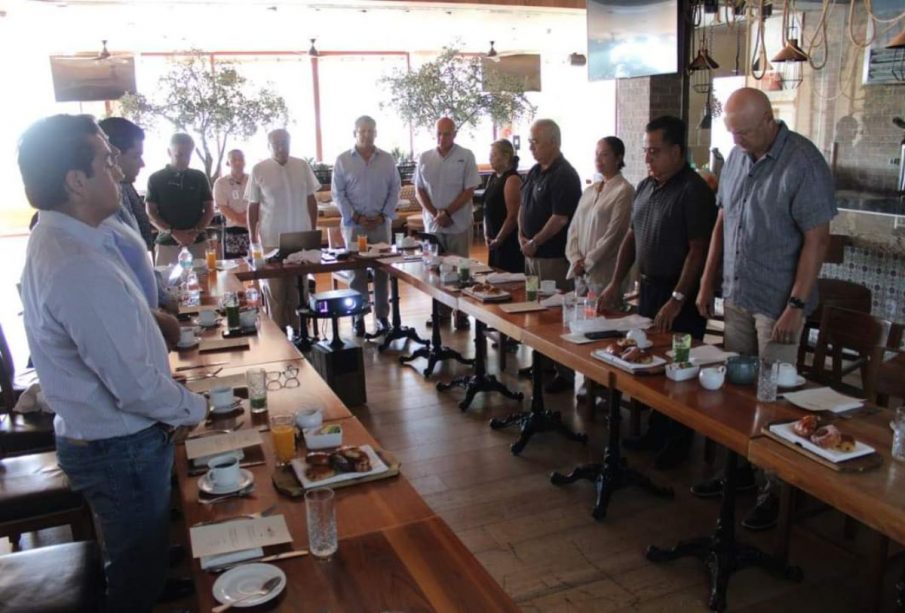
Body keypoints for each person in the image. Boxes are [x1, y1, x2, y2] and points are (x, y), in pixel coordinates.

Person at [17, 114, 206, 612]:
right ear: (75, 181)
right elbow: (135, 387)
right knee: (132, 583)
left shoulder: (77, 239)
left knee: (140, 560)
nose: (119, 173)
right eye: (105, 162)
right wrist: (195, 409)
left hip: (113, 439)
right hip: (118, 447)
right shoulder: (73, 261)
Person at [691, 87, 836, 531]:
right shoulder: (736, 157)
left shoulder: (803, 163)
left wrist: (796, 304)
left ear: (770, 120)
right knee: (735, 393)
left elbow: (818, 239)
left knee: (772, 399)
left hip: (778, 305)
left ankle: (776, 491)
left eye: (745, 132)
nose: (737, 141)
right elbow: (722, 220)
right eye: (732, 132)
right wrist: (706, 279)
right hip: (737, 294)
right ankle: (740, 474)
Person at [598, 116, 717, 469]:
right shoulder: (647, 187)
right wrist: (616, 281)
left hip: (679, 296)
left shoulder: (693, 191)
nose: (648, 159)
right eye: (645, 151)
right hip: (649, 288)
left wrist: (678, 298)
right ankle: (655, 430)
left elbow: (699, 248)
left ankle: (678, 440)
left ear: (677, 151)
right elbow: (632, 237)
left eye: (655, 151)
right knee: (649, 363)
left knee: (677, 366)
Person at [519, 119, 582, 393]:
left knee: (555, 315)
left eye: (536, 141)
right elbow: (523, 205)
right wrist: (522, 236)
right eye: (530, 141)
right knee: (535, 309)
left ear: (554, 142)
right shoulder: (535, 171)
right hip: (531, 254)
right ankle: (542, 361)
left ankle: (564, 372)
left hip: (553, 258)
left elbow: (560, 218)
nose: (530, 146)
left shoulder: (564, 175)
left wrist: (535, 241)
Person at [332, 115, 401, 337]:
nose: (367, 135)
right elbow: (338, 193)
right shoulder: (343, 160)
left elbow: (395, 189)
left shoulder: (387, 159)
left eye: (371, 131)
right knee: (357, 273)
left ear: (376, 133)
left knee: (382, 271)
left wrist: (384, 215)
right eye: (362, 131)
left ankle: (382, 317)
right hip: (355, 226)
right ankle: (358, 317)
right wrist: (355, 216)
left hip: (381, 225)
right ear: (355, 133)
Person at [246, 128, 320, 334]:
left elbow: (310, 199)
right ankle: (278, 337)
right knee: (276, 292)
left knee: (299, 289)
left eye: (284, 142)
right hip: (271, 239)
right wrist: (253, 238)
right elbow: (253, 206)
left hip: (300, 237)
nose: (281, 147)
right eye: (276, 143)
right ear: (268, 146)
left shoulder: (302, 165)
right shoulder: (259, 169)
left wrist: (313, 230)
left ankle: (301, 336)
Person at [414, 117, 481, 328]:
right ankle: (440, 312)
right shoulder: (425, 157)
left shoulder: (466, 156)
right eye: (439, 133)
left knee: (460, 269)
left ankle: (460, 313)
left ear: (454, 134)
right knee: (435, 270)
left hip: (458, 224)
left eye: (447, 133)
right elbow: (419, 190)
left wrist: (447, 212)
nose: (442, 138)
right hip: (433, 226)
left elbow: (469, 189)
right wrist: (435, 214)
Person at [566, 136, 634, 296]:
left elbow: (614, 234)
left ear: (618, 158)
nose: (598, 159)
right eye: (596, 154)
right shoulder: (591, 190)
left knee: (604, 317)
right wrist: (575, 258)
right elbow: (573, 229)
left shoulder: (624, 190)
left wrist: (587, 262)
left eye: (604, 154)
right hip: (580, 272)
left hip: (604, 271)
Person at [146, 132, 214, 264]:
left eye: (188, 155)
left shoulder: (199, 177)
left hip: (198, 241)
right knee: (167, 283)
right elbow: (150, 212)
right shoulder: (155, 178)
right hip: (167, 243)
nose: (184, 159)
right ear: (169, 152)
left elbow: (209, 210)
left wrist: (194, 233)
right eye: (179, 155)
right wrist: (174, 233)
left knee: (206, 281)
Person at [97, 116, 155, 250]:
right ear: (113, 156)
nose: (142, 164)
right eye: (136, 156)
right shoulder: (99, 206)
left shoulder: (125, 187)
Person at [484, 139, 523, 273]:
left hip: (507, 240)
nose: (490, 158)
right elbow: (486, 208)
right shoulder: (493, 177)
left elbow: (513, 216)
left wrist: (499, 239)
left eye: (494, 154)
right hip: (493, 239)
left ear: (505, 157)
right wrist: (486, 233)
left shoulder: (512, 179)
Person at [213, 149, 250, 258]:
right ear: (228, 162)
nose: (238, 162)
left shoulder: (253, 179)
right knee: (234, 268)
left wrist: (250, 219)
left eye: (241, 159)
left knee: (257, 266)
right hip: (233, 230)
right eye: (234, 159)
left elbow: (261, 202)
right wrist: (242, 219)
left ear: (245, 161)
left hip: (254, 229)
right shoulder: (221, 183)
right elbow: (223, 207)